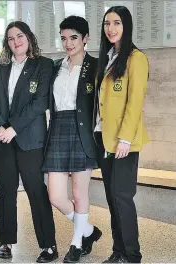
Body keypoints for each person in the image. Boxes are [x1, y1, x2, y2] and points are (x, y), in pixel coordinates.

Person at [0, 21, 58, 263]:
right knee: (6, 190)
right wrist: (1, 127)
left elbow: (40, 103)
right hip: (1, 138)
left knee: (36, 190)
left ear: (29, 37)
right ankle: (5, 242)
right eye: (11, 38)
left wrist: (13, 128)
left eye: (20, 36)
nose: (16, 41)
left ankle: (49, 245)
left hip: (29, 139)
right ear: (7, 42)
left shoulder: (43, 65)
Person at [42, 16, 102, 263]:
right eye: (64, 38)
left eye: (74, 38)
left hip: (82, 131)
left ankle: (77, 243)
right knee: (55, 195)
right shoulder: (55, 66)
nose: (68, 43)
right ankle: (88, 230)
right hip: (57, 130)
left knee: (79, 193)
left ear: (86, 38)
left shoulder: (96, 66)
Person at [94, 6, 149, 263]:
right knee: (112, 198)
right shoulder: (108, 57)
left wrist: (125, 138)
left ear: (126, 26)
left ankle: (132, 255)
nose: (111, 28)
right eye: (107, 23)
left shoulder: (135, 58)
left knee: (123, 197)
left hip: (124, 142)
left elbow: (134, 102)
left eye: (116, 23)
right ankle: (118, 251)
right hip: (104, 139)